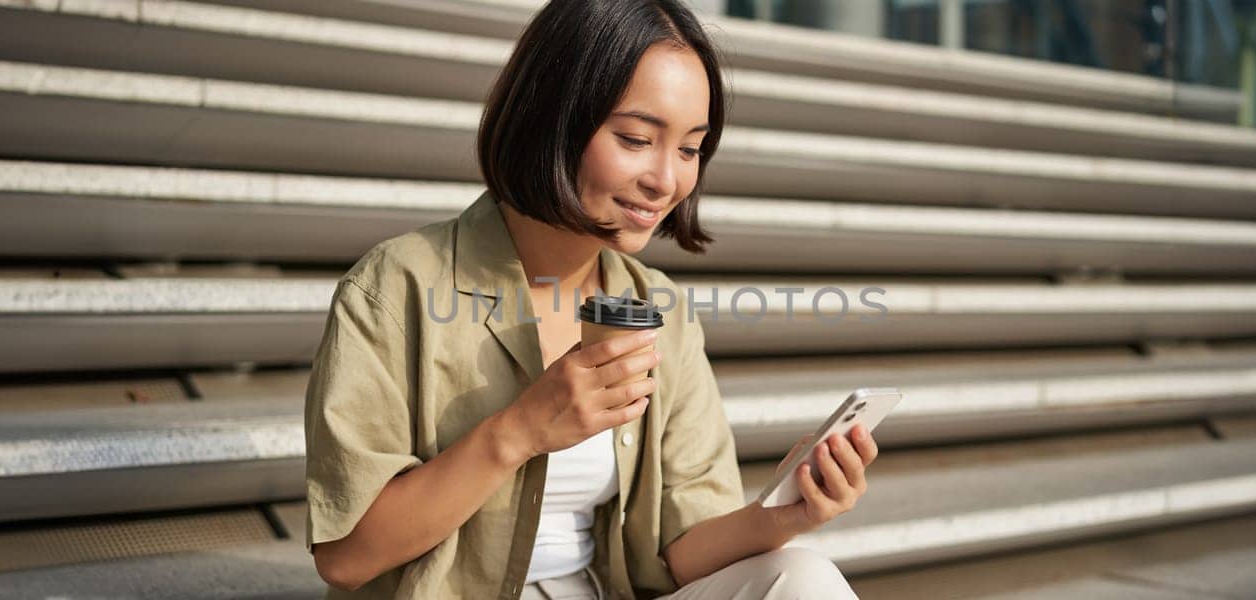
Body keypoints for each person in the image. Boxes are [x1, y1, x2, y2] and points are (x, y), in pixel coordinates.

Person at [304, 1, 879, 598]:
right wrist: (522, 428)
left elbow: (679, 553)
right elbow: (346, 558)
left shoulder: (658, 308)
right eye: (636, 139)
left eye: (689, 149)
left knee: (803, 577)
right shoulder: (396, 288)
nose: (666, 180)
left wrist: (790, 513)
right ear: (553, 119)